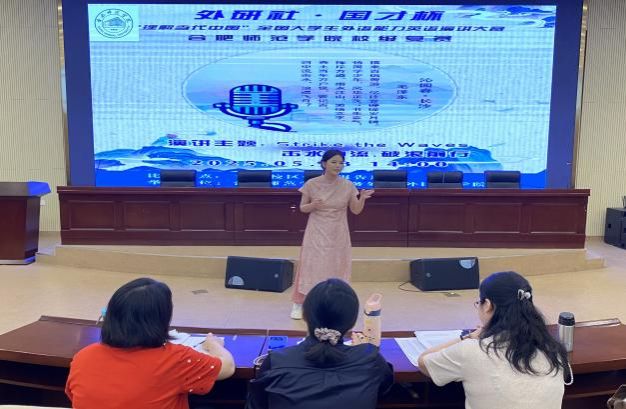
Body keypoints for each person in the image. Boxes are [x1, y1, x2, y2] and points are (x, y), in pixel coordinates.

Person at [66, 277, 235, 409]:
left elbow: (74, 396)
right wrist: (213, 344)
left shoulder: (83, 357)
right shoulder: (176, 359)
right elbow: (227, 367)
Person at [418, 271, 572, 409]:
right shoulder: (553, 350)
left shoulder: (472, 350)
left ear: (487, 305)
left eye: (479, 302)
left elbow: (424, 362)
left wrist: (468, 337)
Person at [246, 278, 393, 409]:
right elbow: (383, 391)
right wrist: (364, 352)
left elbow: (256, 404)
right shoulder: (371, 360)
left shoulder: (276, 361)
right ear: (352, 323)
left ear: (304, 315)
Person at [291, 149, 374, 319]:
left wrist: (362, 198)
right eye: (334, 162)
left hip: (338, 232)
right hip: (317, 230)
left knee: (336, 266)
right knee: (311, 265)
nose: (338, 166)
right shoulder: (312, 183)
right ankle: (300, 303)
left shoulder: (348, 185)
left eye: (341, 163)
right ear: (324, 164)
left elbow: (356, 210)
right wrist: (313, 205)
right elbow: (303, 208)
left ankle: (333, 304)